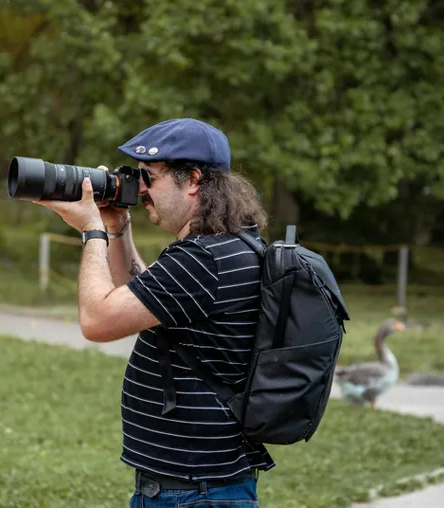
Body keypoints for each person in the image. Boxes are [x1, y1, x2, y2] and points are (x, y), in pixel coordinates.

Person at [36, 118, 273, 507]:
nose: (139, 188)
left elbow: (97, 321)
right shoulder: (225, 246)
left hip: (193, 493)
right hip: (196, 486)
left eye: (149, 176)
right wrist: (116, 224)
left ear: (192, 180)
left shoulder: (203, 258)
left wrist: (91, 231)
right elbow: (144, 298)